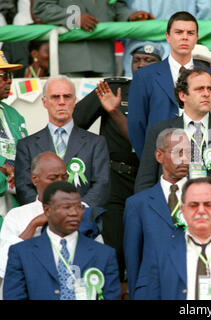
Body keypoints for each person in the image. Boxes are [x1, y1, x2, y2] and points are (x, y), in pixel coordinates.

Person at [73, 42, 163, 293]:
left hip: (151, 181)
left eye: (149, 61)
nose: (142, 65)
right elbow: (76, 122)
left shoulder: (166, 96)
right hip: (114, 178)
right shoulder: (114, 88)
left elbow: (148, 141)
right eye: (137, 60)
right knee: (113, 246)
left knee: (147, 247)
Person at [134, 66, 211, 228]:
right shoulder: (159, 130)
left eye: (210, 89)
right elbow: (145, 182)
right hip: (171, 219)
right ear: (182, 95)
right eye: (199, 89)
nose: (206, 93)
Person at [127, 11, 211, 158]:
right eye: (179, 32)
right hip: (159, 161)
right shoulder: (144, 76)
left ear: (196, 38)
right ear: (168, 37)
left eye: (190, 33)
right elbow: (136, 125)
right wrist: (151, 162)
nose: (185, 37)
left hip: (201, 161)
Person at [3, 181, 120, 300]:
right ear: (47, 210)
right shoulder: (21, 253)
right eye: (67, 207)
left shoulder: (104, 254)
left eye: (79, 207)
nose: (74, 213)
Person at [0, 152, 105, 281]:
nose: (60, 183)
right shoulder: (17, 216)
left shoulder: (83, 211)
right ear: (35, 179)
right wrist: (33, 225)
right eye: (53, 178)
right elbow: (4, 268)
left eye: (64, 177)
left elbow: (101, 260)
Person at [15, 76, 110, 207]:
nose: (61, 102)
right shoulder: (26, 145)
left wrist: (76, 211)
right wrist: (48, 212)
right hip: (41, 220)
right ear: (44, 102)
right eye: (55, 97)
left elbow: (102, 185)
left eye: (67, 96)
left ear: (74, 101)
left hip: (83, 220)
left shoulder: (96, 143)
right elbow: (23, 188)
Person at [123, 128, 191, 299]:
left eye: (189, 152)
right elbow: (133, 259)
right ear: (159, 156)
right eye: (178, 152)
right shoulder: (137, 204)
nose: (184, 158)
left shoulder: (204, 200)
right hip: (151, 292)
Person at [32, 0, 153, 77]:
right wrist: (74, 18)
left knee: (106, 111)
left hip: (104, 58)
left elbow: (116, 7)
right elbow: (41, 7)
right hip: (72, 59)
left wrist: (130, 16)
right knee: (73, 111)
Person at [122, 0, 211, 77]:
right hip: (137, 51)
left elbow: (208, 20)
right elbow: (115, 8)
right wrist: (128, 15)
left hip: (181, 52)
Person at [0, 51, 28, 219]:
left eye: (10, 75)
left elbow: (27, 154)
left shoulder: (14, 115)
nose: (9, 80)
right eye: (3, 75)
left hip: (16, 204)